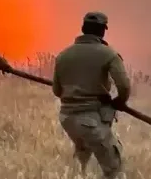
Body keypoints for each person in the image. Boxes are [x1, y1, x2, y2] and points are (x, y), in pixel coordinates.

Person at [51, 11, 131, 179]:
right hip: (91, 119)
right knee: (113, 168)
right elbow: (124, 86)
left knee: (81, 161)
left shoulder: (63, 56)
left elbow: (57, 91)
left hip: (67, 118)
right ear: (103, 31)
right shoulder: (108, 55)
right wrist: (118, 102)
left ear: (83, 28)